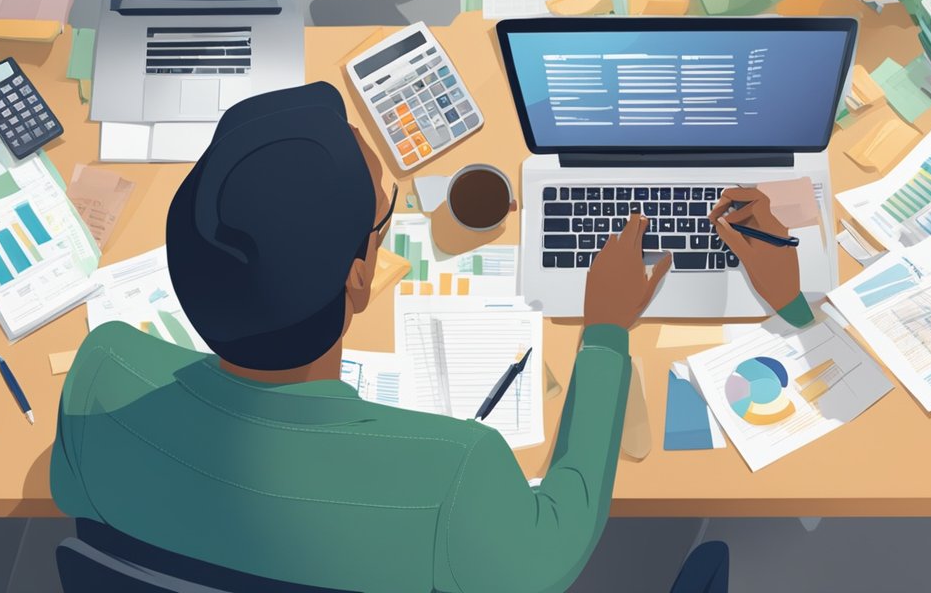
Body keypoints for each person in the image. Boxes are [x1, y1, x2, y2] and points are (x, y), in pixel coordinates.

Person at [50, 82, 808, 593]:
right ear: (357, 281)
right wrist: (607, 331)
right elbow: (557, 544)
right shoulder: (456, 473)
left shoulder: (104, 374)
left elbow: (75, 487)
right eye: (384, 223)